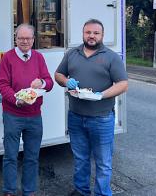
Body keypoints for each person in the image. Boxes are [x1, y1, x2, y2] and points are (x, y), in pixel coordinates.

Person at [54, 19, 128, 196]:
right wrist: (66, 81)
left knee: (103, 161)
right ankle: (81, 191)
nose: (92, 36)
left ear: (102, 35)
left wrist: (101, 95)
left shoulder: (111, 57)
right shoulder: (72, 54)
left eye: (96, 33)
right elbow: (58, 74)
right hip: (76, 116)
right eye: (88, 32)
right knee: (80, 158)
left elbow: (123, 84)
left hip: (101, 118)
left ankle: (102, 193)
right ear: (83, 33)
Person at [0, 24, 54, 196]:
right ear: (16, 38)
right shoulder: (7, 57)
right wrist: (16, 99)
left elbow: (49, 82)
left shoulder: (38, 57)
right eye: (21, 38)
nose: (24, 41)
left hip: (34, 116)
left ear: (33, 39)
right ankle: (9, 191)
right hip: (12, 115)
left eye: (28, 38)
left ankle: (29, 191)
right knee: (10, 156)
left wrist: (42, 83)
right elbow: (2, 84)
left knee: (32, 157)